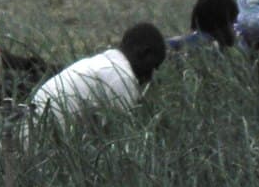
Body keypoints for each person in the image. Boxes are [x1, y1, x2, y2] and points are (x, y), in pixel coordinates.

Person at [27, 22, 168, 131]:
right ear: (144, 53)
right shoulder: (122, 76)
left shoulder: (100, 64)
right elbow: (125, 139)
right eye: (154, 66)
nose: (150, 77)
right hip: (45, 139)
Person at [168, 0, 239, 55]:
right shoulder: (212, 51)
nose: (235, 32)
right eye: (233, 25)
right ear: (226, 24)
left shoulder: (172, 43)